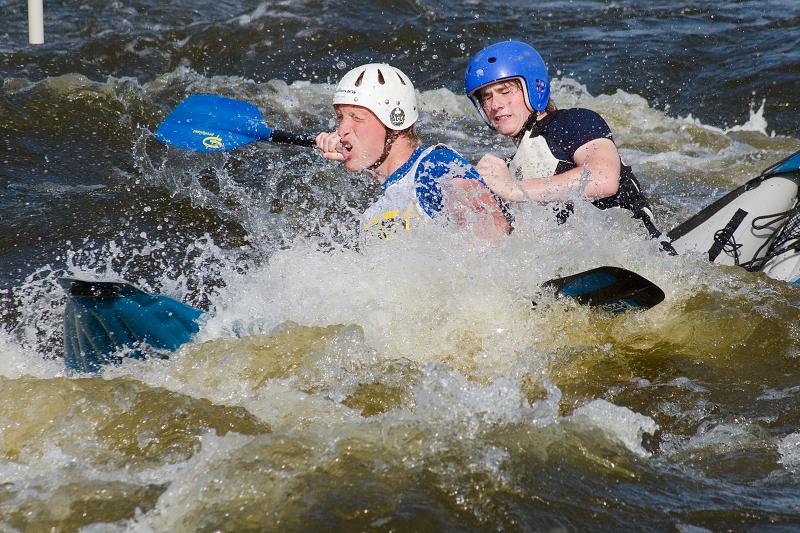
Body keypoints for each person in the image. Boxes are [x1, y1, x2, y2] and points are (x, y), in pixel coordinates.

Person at [464, 40, 669, 244]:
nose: (495, 105)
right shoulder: (510, 169)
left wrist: (513, 190)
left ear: (534, 88)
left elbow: (603, 179)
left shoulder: (573, 122)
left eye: (505, 91)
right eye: (486, 98)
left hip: (637, 250)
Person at [315, 63, 510, 240]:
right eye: (341, 118)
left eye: (356, 118)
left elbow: (491, 226)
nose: (341, 130)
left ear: (395, 123)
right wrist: (354, 152)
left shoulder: (434, 165)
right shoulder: (379, 204)